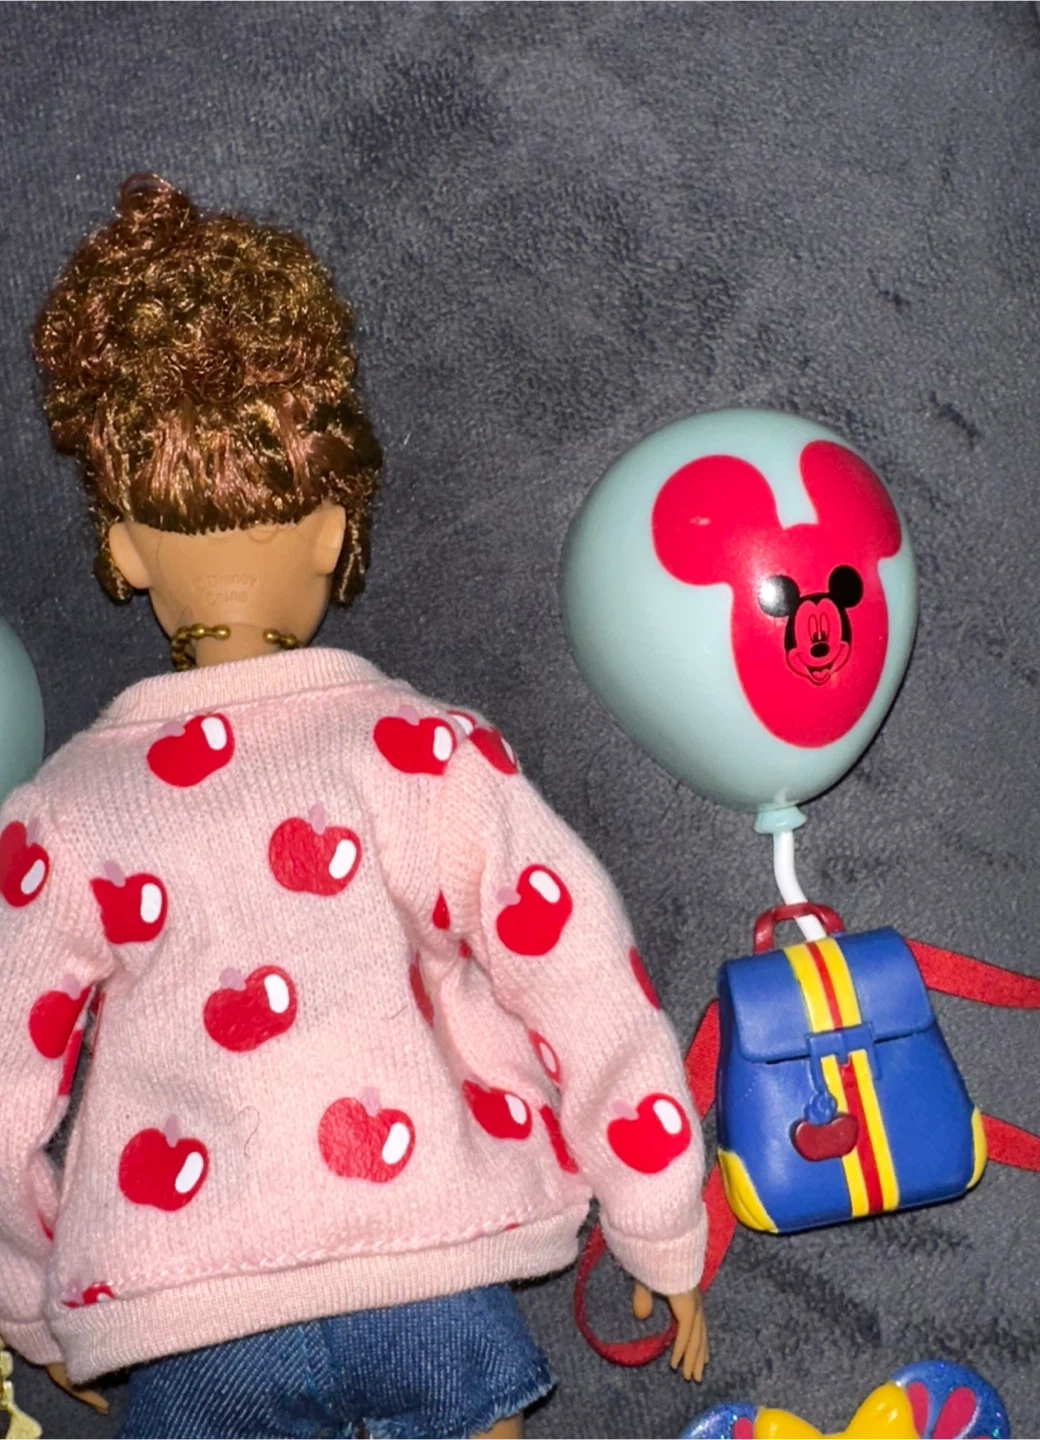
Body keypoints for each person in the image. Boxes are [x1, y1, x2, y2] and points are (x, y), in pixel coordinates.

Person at [0, 176, 708, 1440]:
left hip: (191, 1309)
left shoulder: (65, 814)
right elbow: (578, 974)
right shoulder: (422, 754)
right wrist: (660, 1213)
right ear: (332, 531)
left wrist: (38, 1300)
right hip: (429, 1254)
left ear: (124, 548)